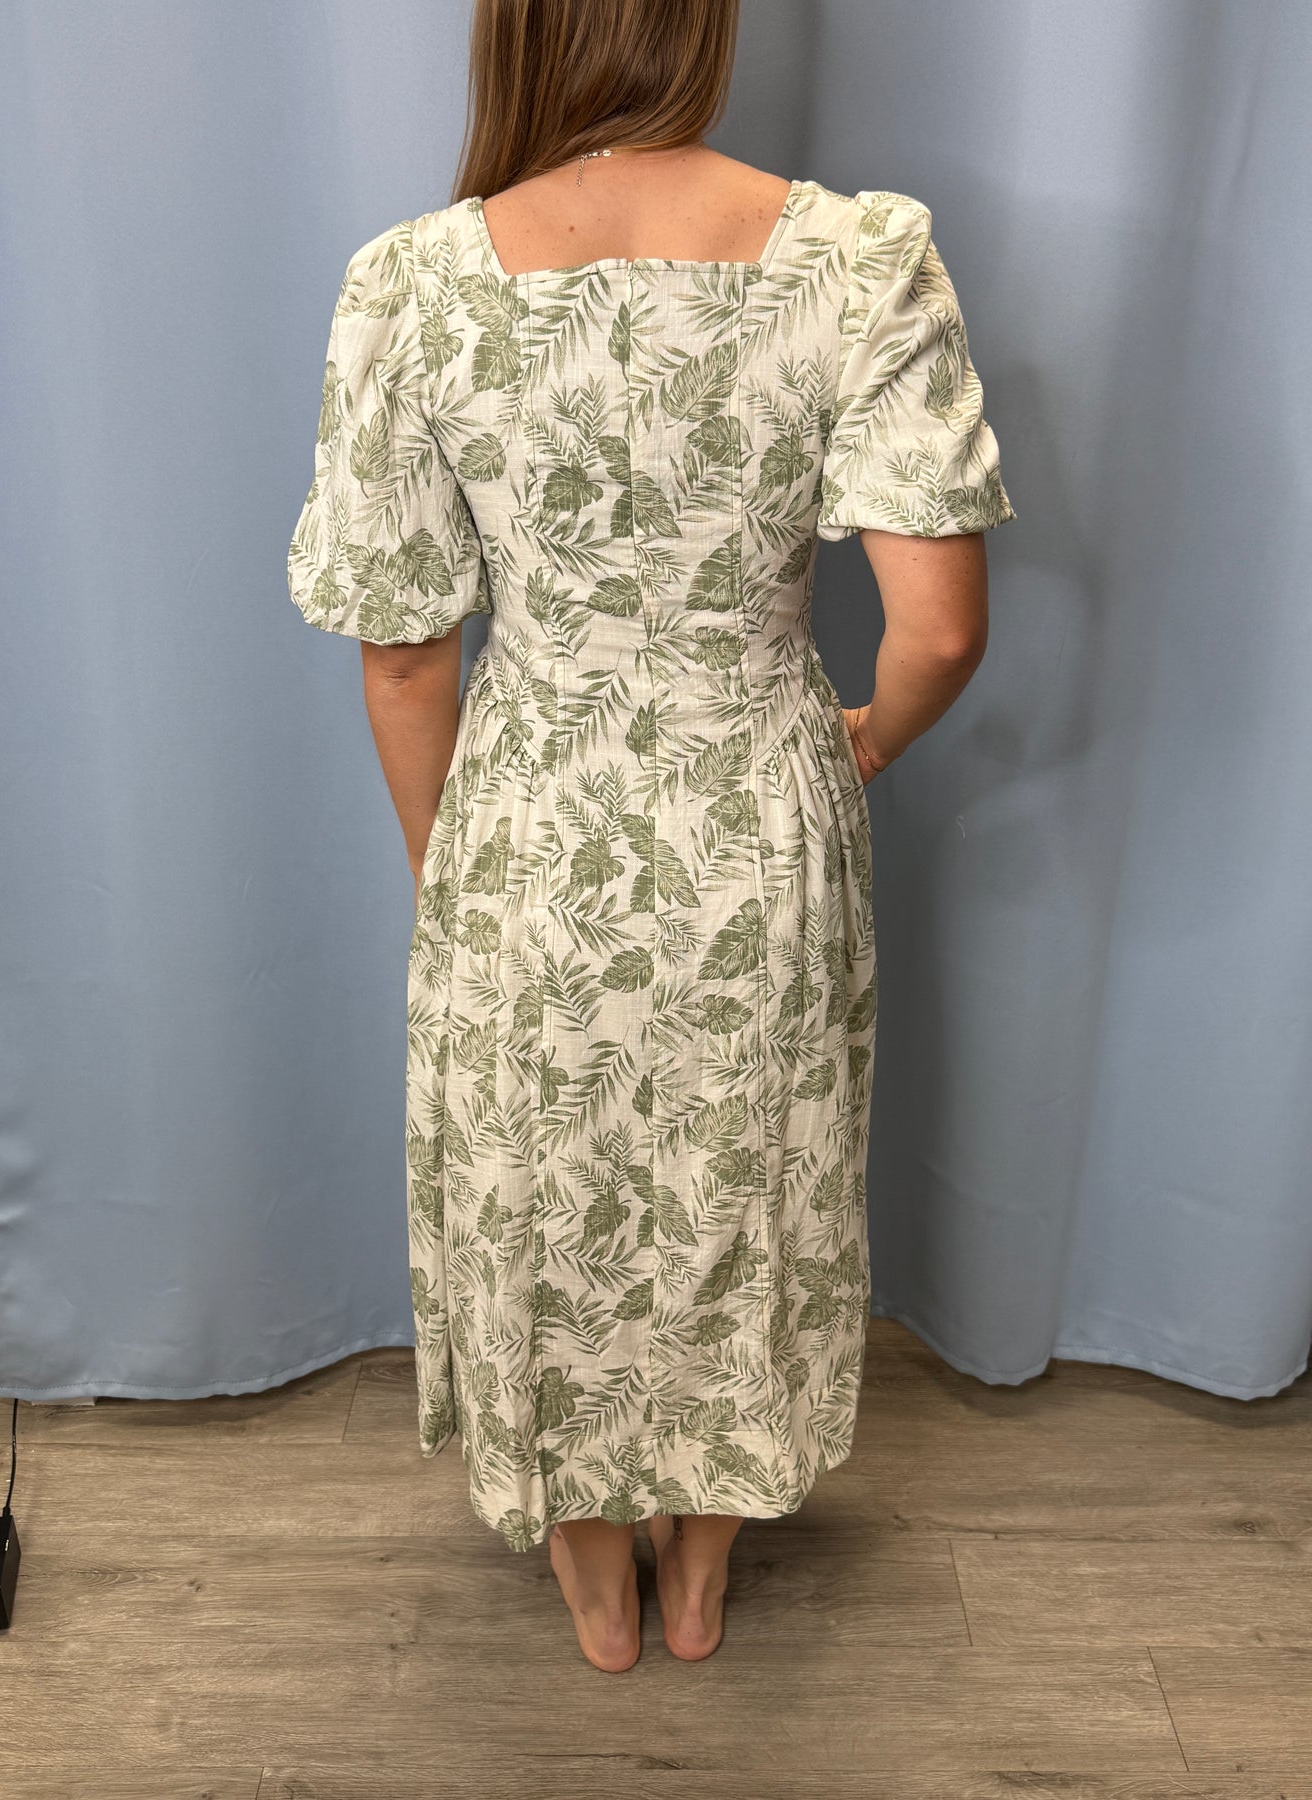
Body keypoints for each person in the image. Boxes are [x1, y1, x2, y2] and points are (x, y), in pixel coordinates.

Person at [287, 0, 1015, 1674]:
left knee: (541, 1192)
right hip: (757, 805)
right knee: (743, 1181)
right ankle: (702, 1571)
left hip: (532, 826)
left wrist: (455, 873)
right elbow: (941, 628)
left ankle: (593, 1579)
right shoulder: (857, 260)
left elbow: (403, 657)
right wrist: (863, 739)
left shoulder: (414, 285)